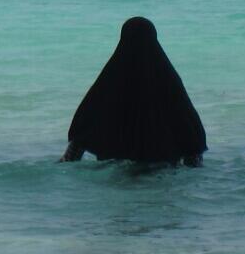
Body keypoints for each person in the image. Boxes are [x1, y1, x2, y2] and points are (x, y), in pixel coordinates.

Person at [60, 17, 207, 165]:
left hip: (117, 176)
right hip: (162, 174)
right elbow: (192, 143)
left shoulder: (109, 81)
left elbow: (77, 143)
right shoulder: (168, 81)